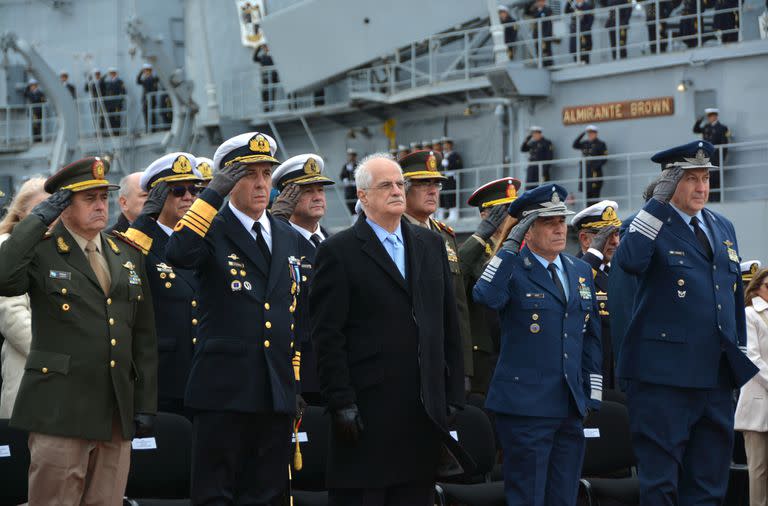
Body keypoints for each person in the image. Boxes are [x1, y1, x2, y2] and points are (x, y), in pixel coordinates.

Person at [311, 153, 471, 506]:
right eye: (386, 185)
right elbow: (327, 336)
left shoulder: (431, 245)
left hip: (421, 412)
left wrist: (453, 392)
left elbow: (449, 323)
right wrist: (341, 401)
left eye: (400, 183)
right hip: (368, 411)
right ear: (363, 196)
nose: (397, 191)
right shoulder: (338, 252)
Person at [0, 157, 157, 505]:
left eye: (104, 197)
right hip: (60, 408)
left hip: (115, 409)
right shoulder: (40, 250)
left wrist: (145, 401)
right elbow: (4, 276)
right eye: (90, 198)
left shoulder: (126, 253)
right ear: (64, 205)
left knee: (107, 500)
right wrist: (39, 217)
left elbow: (143, 335)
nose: (101, 205)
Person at [166, 132, 308, 504]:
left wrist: (292, 383)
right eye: (249, 175)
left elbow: (292, 312)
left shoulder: (283, 232)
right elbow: (178, 254)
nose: (261, 184)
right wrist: (210, 195)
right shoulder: (211, 226)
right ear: (229, 182)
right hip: (225, 389)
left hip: (274, 389)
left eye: (266, 174)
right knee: (217, 494)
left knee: (269, 494)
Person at [614, 140, 758, 505]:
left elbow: (729, 294)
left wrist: (738, 355)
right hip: (664, 379)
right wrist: (655, 205)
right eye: (691, 178)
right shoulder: (645, 224)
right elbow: (629, 260)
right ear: (669, 182)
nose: (701, 187)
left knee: (710, 483)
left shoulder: (721, 226)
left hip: (715, 377)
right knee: (661, 482)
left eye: (705, 177)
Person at [473, 184, 602, 506]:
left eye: (561, 220)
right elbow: (485, 296)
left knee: (564, 496)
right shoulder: (513, 268)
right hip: (525, 407)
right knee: (527, 497)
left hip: (571, 405)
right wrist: (509, 246)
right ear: (527, 230)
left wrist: (591, 395)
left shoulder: (580, 270)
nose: (560, 228)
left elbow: (590, 337)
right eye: (548, 222)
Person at [114, 153, 203, 418]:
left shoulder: (203, 238)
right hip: (166, 379)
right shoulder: (140, 241)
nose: (188, 197)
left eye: (193, 189)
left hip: (208, 377)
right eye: (177, 190)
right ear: (157, 196)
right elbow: (121, 273)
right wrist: (145, 218)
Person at [399, 149, 473, 391]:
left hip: (444, 360)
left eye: (437, 184)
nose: (433, 190)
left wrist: (464, 368)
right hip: (406, 360)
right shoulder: (394, 235)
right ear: (404, 188)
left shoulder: (445, 236)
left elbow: (458, 308)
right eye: (423, 184)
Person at [269, 153, 335, 406]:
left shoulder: (335, 244)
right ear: (287, 196)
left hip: (337, 370)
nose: (318, 196)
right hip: (301, 372)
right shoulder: (279, 243)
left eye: (321, 189)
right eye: (307, 191)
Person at [461, 177, 520, 395]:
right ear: (486, 215)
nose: (512, 217)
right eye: (503, 210)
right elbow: (456, 273)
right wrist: (481, 235)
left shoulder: (521, 250)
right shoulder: (475, 251)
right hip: (487, 351)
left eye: (514, 210)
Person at [0, 178, 49, 418]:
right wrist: (58, 358)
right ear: (20, 214)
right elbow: (12, 317)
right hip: (31, 372)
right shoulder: (6, 249)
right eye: (40, 209)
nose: (50, 216)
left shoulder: (65, 249)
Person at [571, 200, 622, 390]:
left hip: (620, 376)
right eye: (607, 235)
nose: (616, 242)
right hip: (591, 377)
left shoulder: (621, 271)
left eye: (617, 233)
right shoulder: (573, 270)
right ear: (585, 239)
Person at [735, 267, 768, 506]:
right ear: (757, 287)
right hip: (759, 401)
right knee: (758, 470)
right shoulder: (750, 314)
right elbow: (752, 358)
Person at [693, 108, 730, 202]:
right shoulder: (706, 127)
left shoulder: (722, 128)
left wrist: (722, 159)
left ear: (715, 116)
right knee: (707, 181)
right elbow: (696, 130)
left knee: (716, 181)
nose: (710, 118)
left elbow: (724, 145)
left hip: (716, 159)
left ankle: (717, 201)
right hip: (706, 159)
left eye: (711, 116)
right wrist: (698, 121)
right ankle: (708, 201)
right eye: (708, 116)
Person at [572, 125, 608, 204]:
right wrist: (582, 134)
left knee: (595, 197)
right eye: (588, 133)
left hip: (595, 174)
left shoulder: (601, 144)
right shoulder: (585, 143)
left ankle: (595, 215)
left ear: (596, 133)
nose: (590, 135)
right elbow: (574, 145)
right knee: (587, 198)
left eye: (591, 133)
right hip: (586, 173)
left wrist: (595, 167)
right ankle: (588, 215)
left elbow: (604, 159)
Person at [440, 137, 461, 221]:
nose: (445, 146)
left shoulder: (454, 155)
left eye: (447, 144)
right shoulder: (442, 155)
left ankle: (453, 214)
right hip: (443, 177)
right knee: (443, 196)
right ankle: (442, 214)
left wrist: (449, 164)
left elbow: (458, 165)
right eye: (444, 144)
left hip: (451, 177)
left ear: (450, 145)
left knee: (451, 195)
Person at [528, 0, 554, 66]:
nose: (540, 3)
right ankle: (541, 64)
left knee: (547, 50)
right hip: (537, 34)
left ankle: (549, 64)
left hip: (546, 33)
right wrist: (534, 6)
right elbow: (529, 13)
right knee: (538, 50)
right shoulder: (534, 10)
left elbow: (540, 15)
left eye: (542, 1)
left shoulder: (548, 9)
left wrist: (539, 13)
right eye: (538, 1)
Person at [136, 63, 160, 132]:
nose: (146, 72)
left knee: (151, 115)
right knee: (145, 115)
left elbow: (155, 87)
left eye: (147, 71)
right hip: (145, 100)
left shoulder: (154, 78)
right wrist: (141, 72)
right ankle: (147, 129)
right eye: (145, 71)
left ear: (150, 71)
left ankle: (153, 129)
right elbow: (138, 81)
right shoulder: (144, 79)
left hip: (151, 100)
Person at [102, 67, 126, 132]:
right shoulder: (107, 82)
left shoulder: (120, 81)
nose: (112, 74)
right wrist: (105, 75)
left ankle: (117, 132)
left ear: (116, 73)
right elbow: (101, 83)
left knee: (116, 118)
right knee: (110, 118)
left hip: (116, 103)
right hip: (109, 104)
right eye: (111, 73)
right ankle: (112, 132)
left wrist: (119, 101)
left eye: (113, 73)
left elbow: (123, 92)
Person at [23, 78, 46, 143]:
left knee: (38, 125)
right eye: (31, 85)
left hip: (38, 111)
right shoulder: (29, 93)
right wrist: (27, 87)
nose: (32, 87)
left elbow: (43, 101)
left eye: (32, 85)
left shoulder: (40, 93)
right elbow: (24, 93)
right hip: (32, 112)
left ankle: (38, 138)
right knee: (34, 125)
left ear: (36, 85)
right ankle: (35, 138)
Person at [340, 148, 359, 214]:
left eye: (353, 156)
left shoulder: (357, 166)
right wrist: (345, 180)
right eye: (350, 155)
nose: (351, 157)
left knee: (356, 203)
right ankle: (353, 216)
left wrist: (355, 181)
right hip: (348, 190)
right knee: (349, 203)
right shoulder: (345, 166)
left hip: (355, 190)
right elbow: (342, 175)